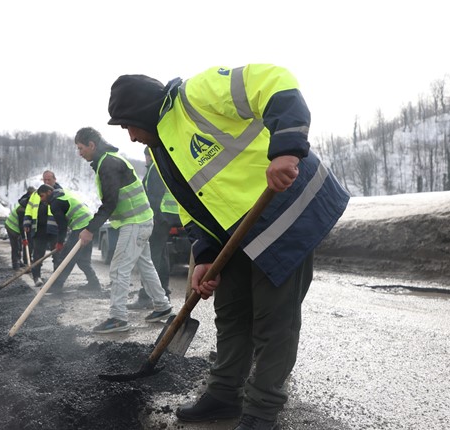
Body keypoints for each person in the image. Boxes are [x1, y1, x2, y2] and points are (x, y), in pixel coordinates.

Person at [107, 65, 350, 430]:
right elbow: (191, 206)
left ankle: (261, 412)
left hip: (283, 211)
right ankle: (223, 395)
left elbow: (276, 82)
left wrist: (286, 149)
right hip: (233, 234)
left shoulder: (197, 95)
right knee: (232, 314)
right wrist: (204, 257)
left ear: (141, 112)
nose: (129, 137)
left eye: (127, 125)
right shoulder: (160, 150)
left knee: (273, 322)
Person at [74, 126, 173, 334]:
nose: (79, 152)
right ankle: (162, 306)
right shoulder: (108, 160)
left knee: (119, 269)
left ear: (92, 145)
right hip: (141, 220)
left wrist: (89, 230)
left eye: (81, 148)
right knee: (146, 266)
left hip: (135, 222)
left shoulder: (108, 164)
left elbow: (110, 202)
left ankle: (118, 318)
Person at [127, 146, 181, 309]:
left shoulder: (155, 168)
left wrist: (151, 215)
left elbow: (154, 195)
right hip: (168, 216)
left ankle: (146, 297)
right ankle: (163, 292)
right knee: (161, 256)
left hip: (159, 216)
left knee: (151, 258)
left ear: (148, 155)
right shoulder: (165, 166)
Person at [36, 184, 101, 293]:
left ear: (48, 192)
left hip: (81, 227)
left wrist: (60, 242)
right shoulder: (63, 193)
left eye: (42, 196)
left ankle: (56, 286)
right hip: (90, 224)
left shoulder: (55, 203)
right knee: (83, 260)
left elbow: (62, 225)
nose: (41, 200)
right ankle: (94, 284)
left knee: (65, 258)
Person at [23, 172, 62, 287]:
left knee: (57, 255)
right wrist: (27, 222)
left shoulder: (60, 193)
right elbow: (29, 209)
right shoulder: (36, 194)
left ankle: (57, 279)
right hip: (38, 229)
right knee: (38, 255)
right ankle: (37, 277)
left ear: (55, 179)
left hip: (54, 229)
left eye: (49, 180)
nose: (46, 182)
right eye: (44, 180)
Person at [4, 188, 33, 270]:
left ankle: (19, 261)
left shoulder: (27, 205)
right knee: (15, 246)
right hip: (11, 227)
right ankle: (15, 263)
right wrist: (24, 238)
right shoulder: (22, 210)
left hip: (15, 227)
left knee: (19, 245)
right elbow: (21, 225)